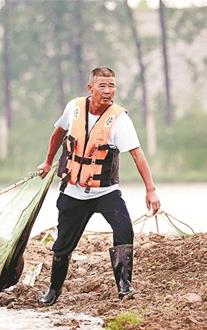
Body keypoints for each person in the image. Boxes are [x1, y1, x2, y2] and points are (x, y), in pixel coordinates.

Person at [37, 66, 160, 306]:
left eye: (112, 86)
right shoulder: (74, 108)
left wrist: (151, 189)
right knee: (63, 244)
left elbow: (137, 154)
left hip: (105, 192)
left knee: (124, 228)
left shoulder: (120, 119)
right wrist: (48, 161)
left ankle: (124, 286)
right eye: (102, 86)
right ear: (90, 88)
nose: (107, 91)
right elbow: (58, 132)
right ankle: (53, 291)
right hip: (73, 190)